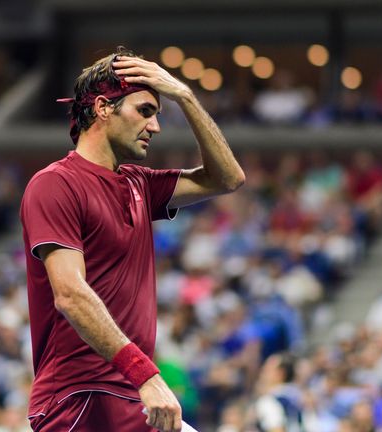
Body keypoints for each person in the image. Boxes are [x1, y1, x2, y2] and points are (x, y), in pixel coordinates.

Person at [20, 47, 245, 432]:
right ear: (104, 108)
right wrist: (146, 375)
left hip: (134, 397)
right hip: (80, 399)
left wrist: (185, 96)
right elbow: (70, 294)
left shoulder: (139, 183)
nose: (155, 126)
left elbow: (228, 179)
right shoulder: (55, 184)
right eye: (145, 111)